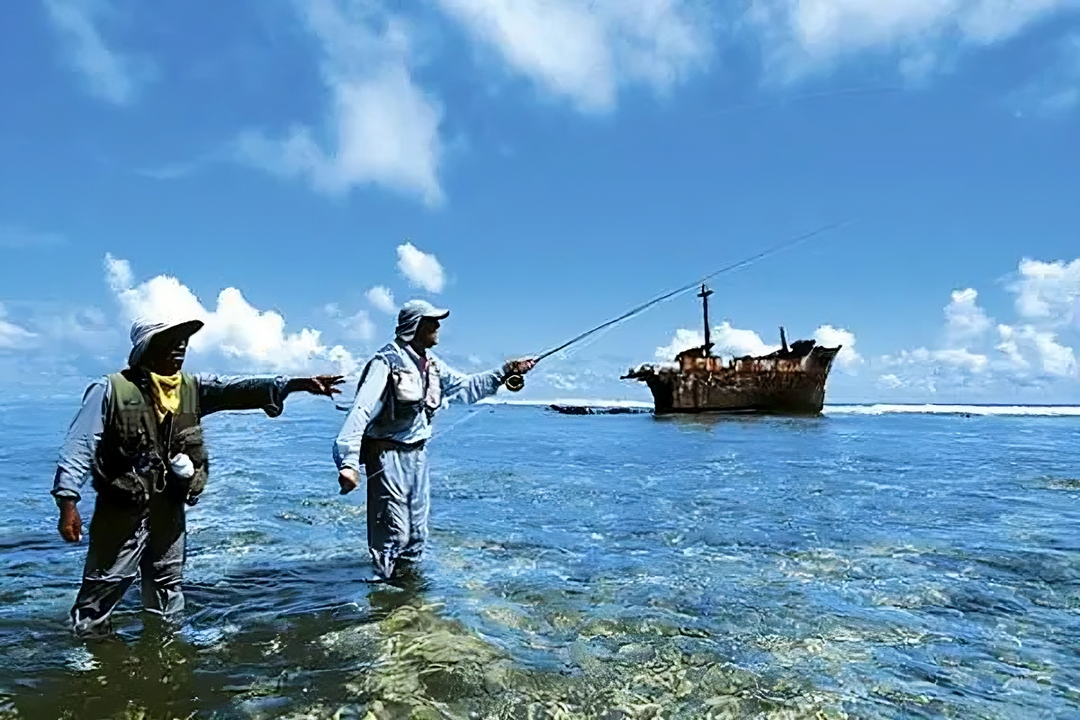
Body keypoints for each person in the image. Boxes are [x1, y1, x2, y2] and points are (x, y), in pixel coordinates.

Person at [53, 317, 344, 637]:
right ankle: (86, 657)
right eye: (168, 342)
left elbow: (236, 389)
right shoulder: (109, 390)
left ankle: (163, 657)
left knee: (167, 585)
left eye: (183, 341)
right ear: (145, 350)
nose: (179, 348)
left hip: (169, 508)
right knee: (104, 586)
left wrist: (296, 384)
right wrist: (68, 501)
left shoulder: (191, 389)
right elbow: (79, 446)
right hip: (122, 510)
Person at [333, 300, 535, 582]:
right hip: (386, 454)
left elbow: (466, 386)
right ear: (414, 326)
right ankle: (381, 595)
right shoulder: (385, 362)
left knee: (416, 534)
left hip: (417, 455)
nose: (438, 326)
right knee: (394, 532)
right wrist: (348, 462)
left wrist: (505, 371)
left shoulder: (432, 364)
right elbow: (361, 410)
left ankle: (408, 595)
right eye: (432, 321)